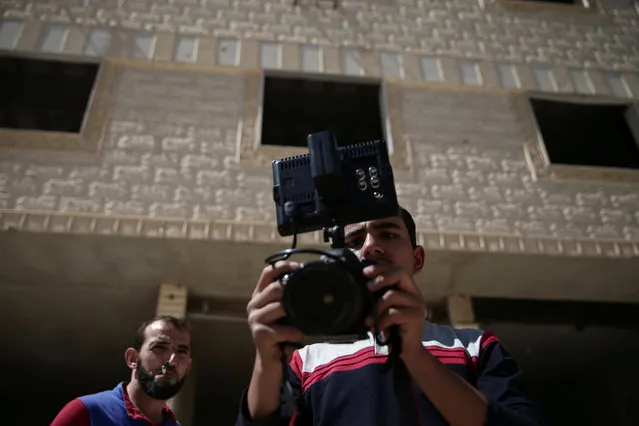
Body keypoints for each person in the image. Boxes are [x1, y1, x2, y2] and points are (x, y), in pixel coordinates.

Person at [236, 207, 546, 426]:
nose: (371, 246)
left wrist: (415, 355)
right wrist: (265, 361)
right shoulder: (306, 361)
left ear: (417, 258)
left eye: (387, 233)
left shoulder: (476, 347)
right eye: (355, 242)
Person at [51, 315, 192, 426]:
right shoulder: (87, 412)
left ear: (188, 368)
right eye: (160, 348)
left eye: (182, 351)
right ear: (132, 358)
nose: (172, 360)